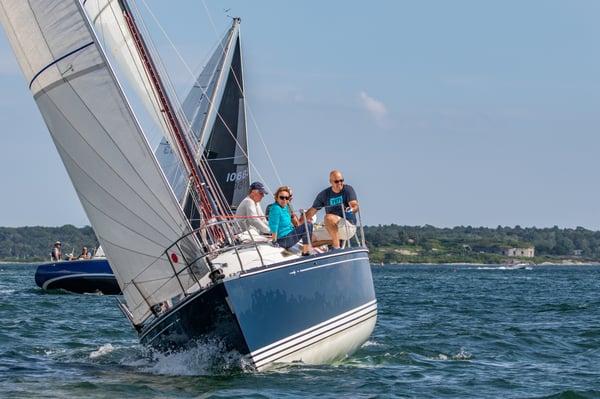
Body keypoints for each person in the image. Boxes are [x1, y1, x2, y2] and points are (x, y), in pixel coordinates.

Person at [299, 170, 358, 250]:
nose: (340, 183)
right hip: (331, 227)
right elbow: (312, 211)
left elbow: (355, 205)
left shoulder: (348, 190)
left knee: (328, 217)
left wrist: (350, 210)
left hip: (347, 225)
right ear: (330, 181)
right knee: (307, 240)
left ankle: (336, 247)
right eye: (336, 181)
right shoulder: (324, 194)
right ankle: (333, 241)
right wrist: (298, 225)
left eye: (341, 180)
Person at [268, 186, 313, 256]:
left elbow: (294, 222)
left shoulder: (286, 207)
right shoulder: (275, 208)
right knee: (308, 225)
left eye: (286, 198)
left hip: (289, 235)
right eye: (282, 197)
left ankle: (307, 250)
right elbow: (274, 226)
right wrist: (274, 241)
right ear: (276, 198)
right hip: (283, 240)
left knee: (308, 225)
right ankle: (306, 252)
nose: (284, 200)